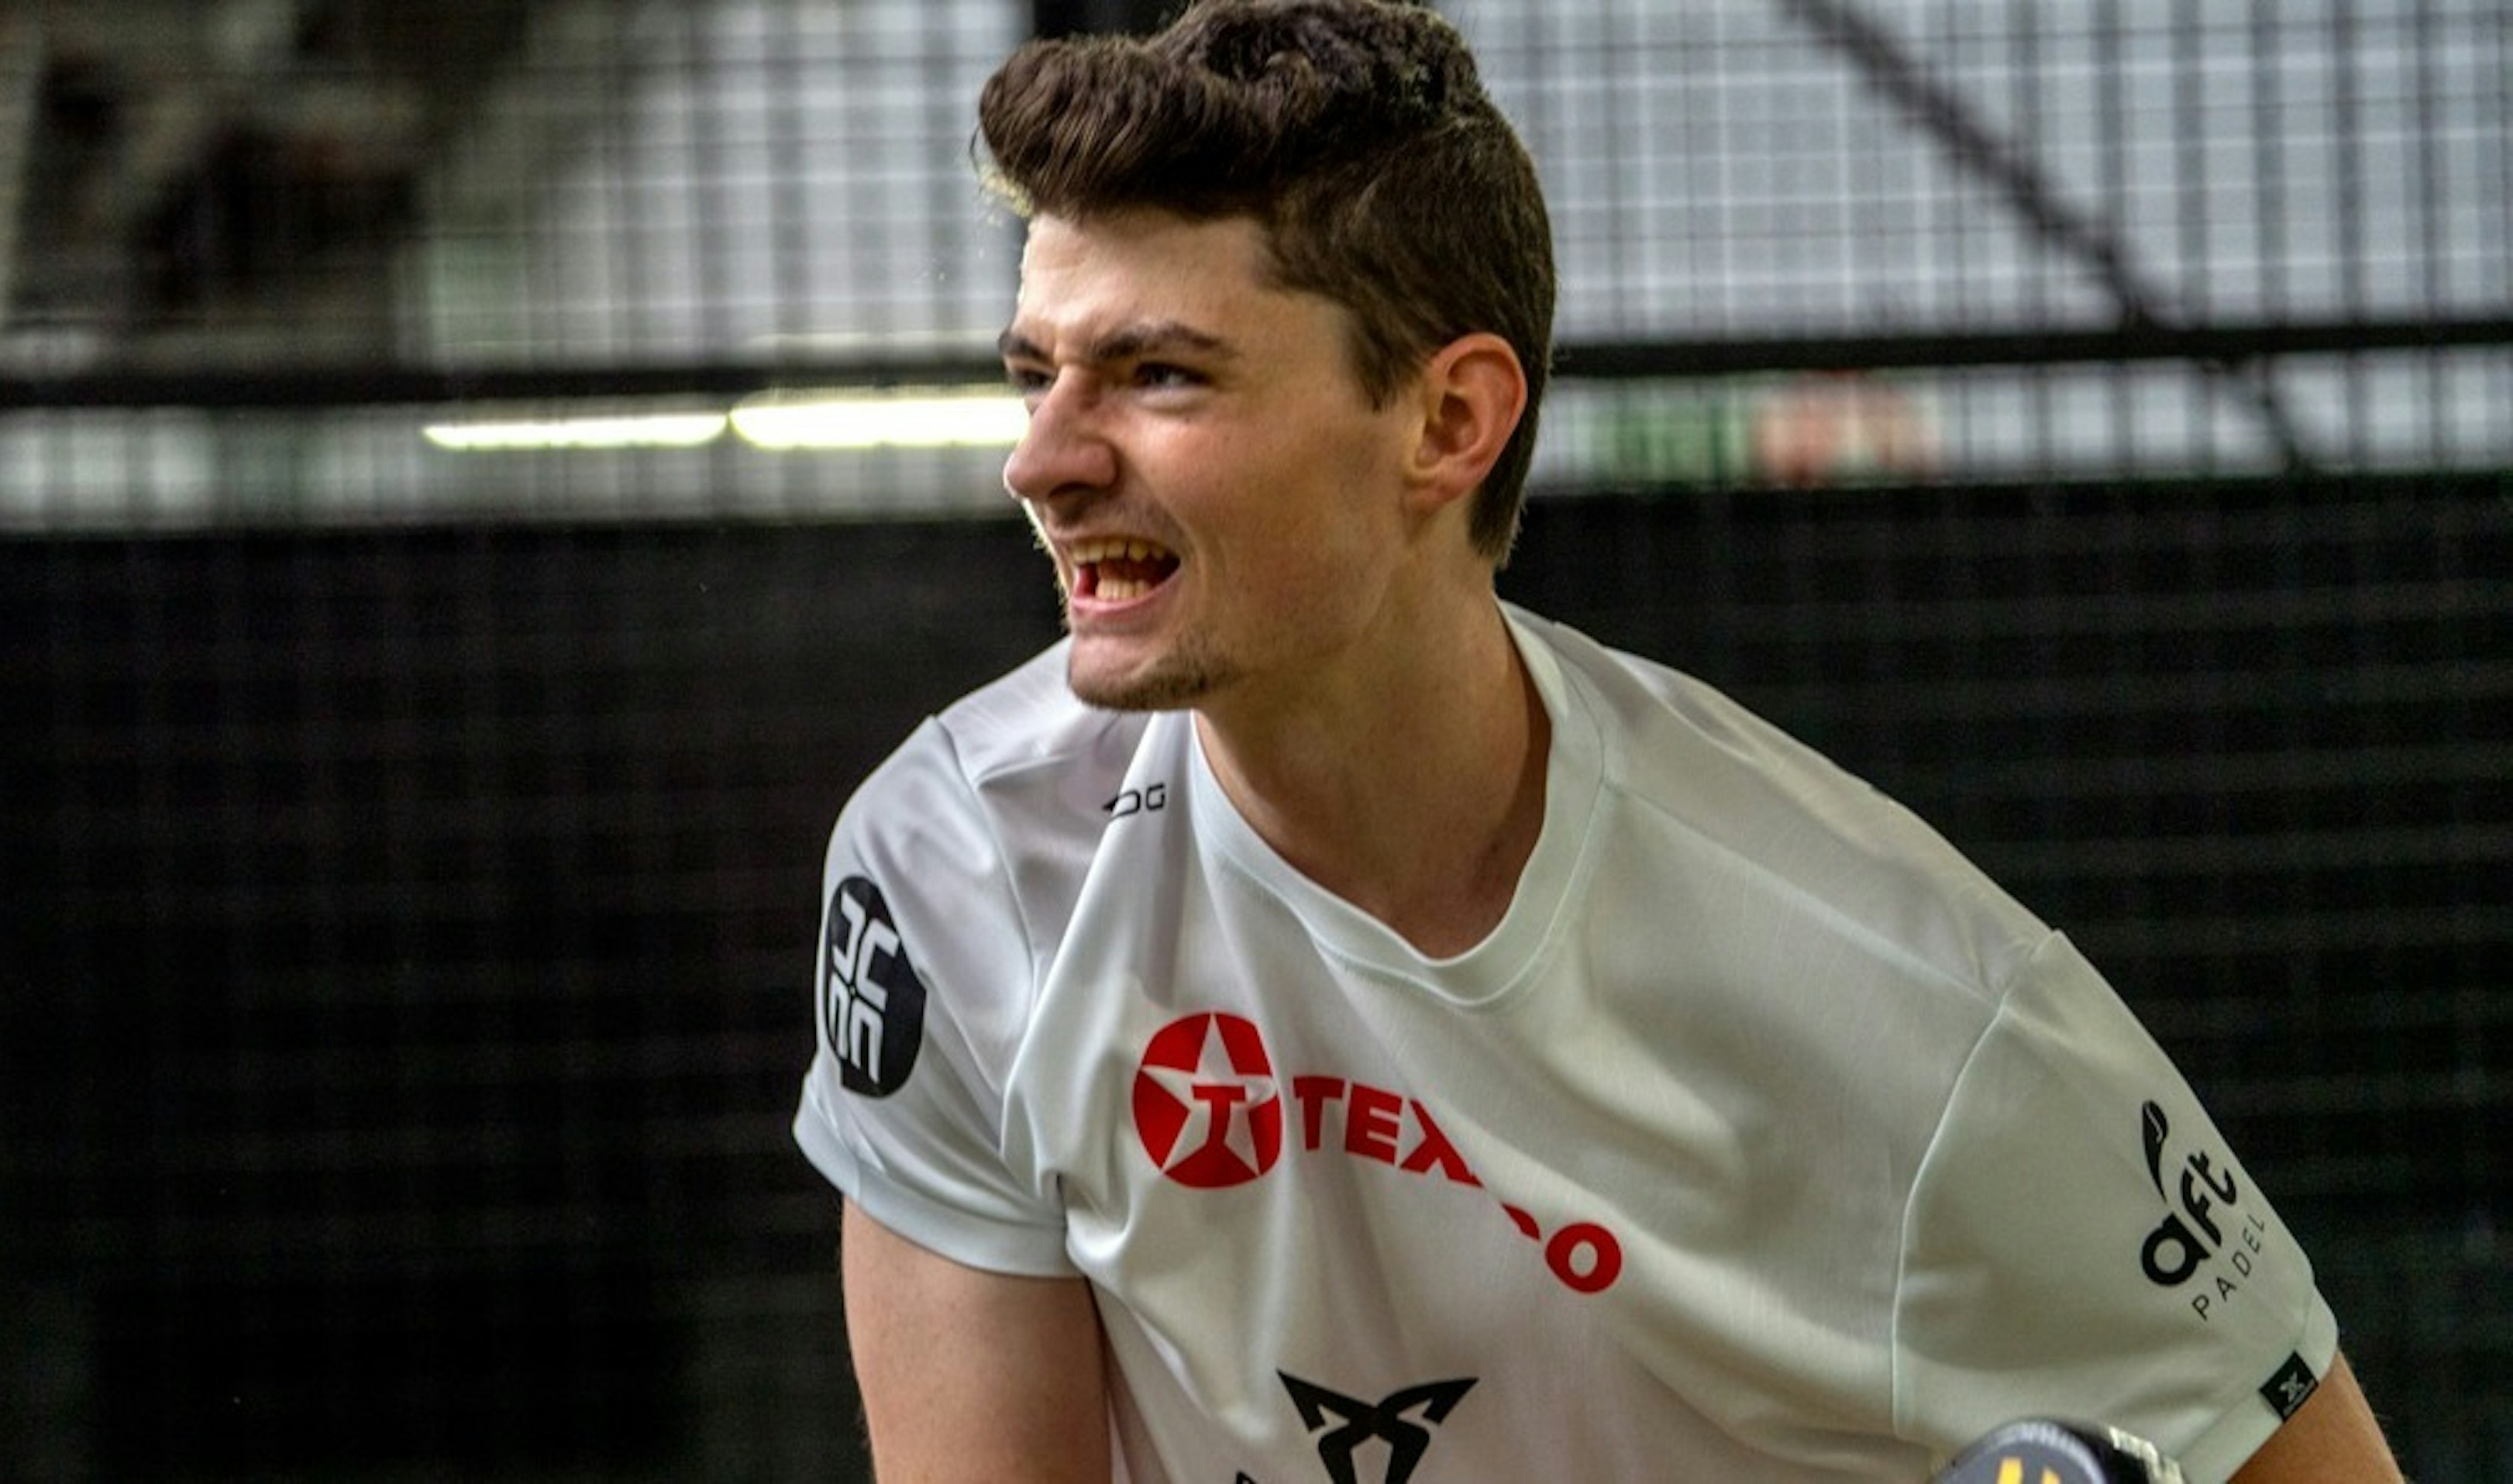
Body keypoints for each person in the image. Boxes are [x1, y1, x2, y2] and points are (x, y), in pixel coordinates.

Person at [791, 2, 2406, 1479]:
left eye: (1158, 375)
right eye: (1038, 375)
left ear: (1448, 422)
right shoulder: (959, 872)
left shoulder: (1925, 1014)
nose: (1044, 459)